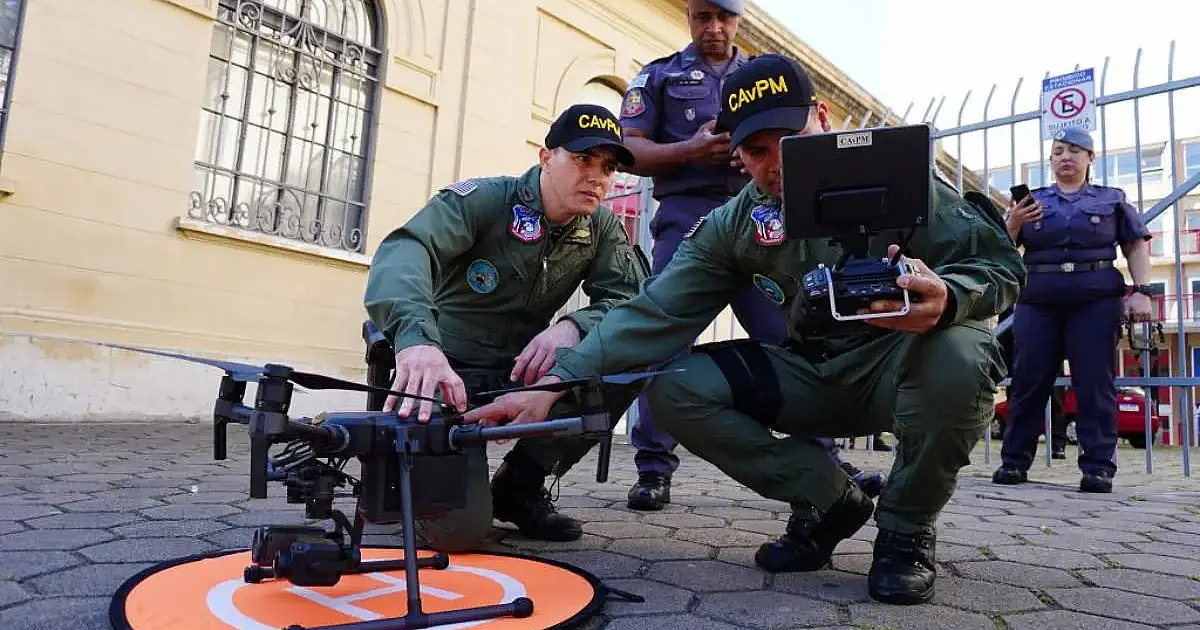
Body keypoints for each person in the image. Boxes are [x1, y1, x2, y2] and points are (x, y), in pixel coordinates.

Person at [462, 53, 1025, 606]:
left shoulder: (906, 183)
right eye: (756, 150)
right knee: (674, 384)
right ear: (737, 155)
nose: (776, 162)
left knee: (963, 353)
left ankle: (904, 532)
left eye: (789, 138)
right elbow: (655, 314)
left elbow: (1000, 266)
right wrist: (552, 385)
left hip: (904, 368)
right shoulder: (739, 222)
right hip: (812, 375)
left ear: (822, 119)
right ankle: (829, 500)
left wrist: (949, 297)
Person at [616, 0, 881, 512]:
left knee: (794, 331)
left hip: (765, 213)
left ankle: (822, 461)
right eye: (702, 17)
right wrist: (687, 151)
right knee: (665, 335)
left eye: (725, 17)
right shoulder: (658, 76)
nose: (714, 28)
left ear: (739, 20)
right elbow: (630, 151)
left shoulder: (762, 77)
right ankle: (653, 465)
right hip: (689, 215)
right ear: (689, 18)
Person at [362, 103, 649, 551]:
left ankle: (518, 489)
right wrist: (415, 340)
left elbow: (630, 302)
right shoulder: (487, 200)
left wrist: (573, 326)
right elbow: (408, 249)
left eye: (608, 167)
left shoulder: (600, 226)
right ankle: (409, 477)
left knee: (630, 359)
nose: (598, 177)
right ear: (545, 157)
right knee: (460, 532)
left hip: (519, 377)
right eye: (582, 159)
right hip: (445, 376)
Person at [992, 127, 1153, 493]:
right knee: (1029, 382)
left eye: (1075, 151)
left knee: (1095, 382)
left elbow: (1135, 244)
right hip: (1039, 300)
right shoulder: (1031, 200)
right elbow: (1002, 248)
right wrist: (1014, 221)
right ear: (1050, 160)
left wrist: (1142, 292)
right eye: (1059, 151)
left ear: (1090, 158)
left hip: (1095, 300)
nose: (1066, 157)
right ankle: (1014, 462)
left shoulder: (1112, 198)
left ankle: (1098, 467)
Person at [996, 304, 1068, 459]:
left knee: (1055, 400)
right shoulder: (1009, 305)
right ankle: (1015, 445)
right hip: (1017, 358)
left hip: (1050, 351)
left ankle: (1058, 442)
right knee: (1017, 400)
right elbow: (1002, 336)